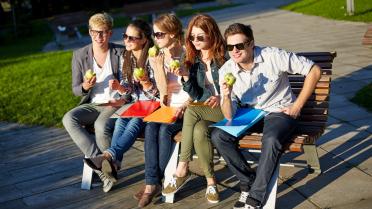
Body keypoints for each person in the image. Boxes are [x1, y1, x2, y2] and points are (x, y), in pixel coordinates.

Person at [211, 23, 321, 209]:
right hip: (250, 114)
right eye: (230, 47)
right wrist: (227, 96)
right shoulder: (226, 70)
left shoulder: (272, 56)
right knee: (218, 135)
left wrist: (297, 105)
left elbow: (314, 71)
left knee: (270, 140)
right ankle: (247, 182)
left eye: (240, 45)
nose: (235, 51)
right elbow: (229, 115)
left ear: (251, 43)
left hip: (279, 112)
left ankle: (255, 197)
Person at [83, 19, 159, 193]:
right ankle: (114, 163)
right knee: (120, 121)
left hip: (153, 105)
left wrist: (147, 84)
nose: (126, 41)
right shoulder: (127, 57)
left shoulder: (152, 59)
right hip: (136, 104)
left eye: (132, 38)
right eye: (125, 36)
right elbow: (129, 92)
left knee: (133, 122)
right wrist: (120, 88)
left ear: (144, 40)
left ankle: (108, 156)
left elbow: (160, 93)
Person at [161, 14, 226, 204]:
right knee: (199, 131)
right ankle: (211, 182)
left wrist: (222, 96)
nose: (194, 41)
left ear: (212, 35)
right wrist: (186, 77)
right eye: (192, 37)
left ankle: (182, 168)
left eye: (200, 37)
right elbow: (198, 95)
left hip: (229, 108)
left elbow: (240, 86)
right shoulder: (194, 59)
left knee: (191, 110)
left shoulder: (225, 56)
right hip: (208, 110)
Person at [62, 12, 124, 189]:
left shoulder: (120, 52)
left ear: (110, 33)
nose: (99, 36)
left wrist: (120, 88)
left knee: (100, 126)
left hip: (116, 103)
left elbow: (129, 86)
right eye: (95, 32)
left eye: (104, 32)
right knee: (68, 118)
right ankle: (102, 169)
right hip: (93, 103)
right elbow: (75, 89)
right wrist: (85, 87)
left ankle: (108, 169)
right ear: (89, 32)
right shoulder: (80, 55)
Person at [135, 14, 191, 208]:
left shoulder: (188, 53)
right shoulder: (157, 57)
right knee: (151, 127)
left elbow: (199, 88)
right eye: (154, 34)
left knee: (165, 131)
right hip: (168, 108)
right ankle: (153, 183)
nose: (155, 38)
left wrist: (185, 106)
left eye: (159, 34)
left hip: (189, 109)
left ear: (173, 33)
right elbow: (162, 92)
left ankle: (152, 184)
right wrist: (158, 66)